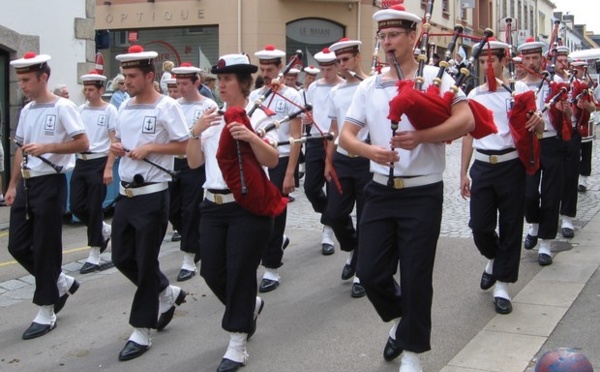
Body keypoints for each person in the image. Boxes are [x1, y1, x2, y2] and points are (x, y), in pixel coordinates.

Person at [339, 5, 474, 370]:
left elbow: (467, 119)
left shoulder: (437, 78)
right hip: (380, 190)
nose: (387, 43)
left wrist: (422, 137)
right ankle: (401, 321)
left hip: (422, 193)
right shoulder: (369, 86)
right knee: (371, 272)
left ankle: (413, 353)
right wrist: (371, 151)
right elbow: (346, 136)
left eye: (394, 35)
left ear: (414, 37)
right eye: (382, 37)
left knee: (416, 275)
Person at [186, 53, 279, 372]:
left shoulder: (259, 114)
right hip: (212, 205)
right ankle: (249, 306)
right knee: (211, 271)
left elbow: (272, 160)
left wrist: (251, 136)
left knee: (240, 273)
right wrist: (195, 132)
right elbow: (194, 163)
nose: (221, 85)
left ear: (242, 83)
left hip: (247, 207)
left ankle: (237, 342)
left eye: (226, 80)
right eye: (219, 80)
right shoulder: (210, 115)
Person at [110, 45, 189, 361]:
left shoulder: (167, 106)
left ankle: (142, 330)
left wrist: (150, 148)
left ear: (149, 76)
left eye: (132, 76)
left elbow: (184, 146)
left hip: (154, 195)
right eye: (125, 75)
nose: (126, 81)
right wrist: (119, 148)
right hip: (125, 195)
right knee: (121, 257)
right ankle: (166, 293)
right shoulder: (125, 106)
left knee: (144, 261)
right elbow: (120, 139)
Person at [6, 52, 89, 340]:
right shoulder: (27, 110)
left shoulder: (63, 107)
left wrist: (47, 147)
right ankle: (59, 280)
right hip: (28, 184)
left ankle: (46, 308)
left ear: (44, 77)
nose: (23, 86)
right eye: (20, 80)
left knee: (45, 247)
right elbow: (20, 149)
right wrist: (12, 185)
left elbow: (82, 142)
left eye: (27, 80)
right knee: (17, 245)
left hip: (51, 183)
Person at [460, 39, 543, 315]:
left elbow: (535, 126)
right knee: (480, 226)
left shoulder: (518, 90)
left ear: (503, 61)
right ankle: (494, 258)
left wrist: (538, 121)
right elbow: (469, 136)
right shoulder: (474, 95)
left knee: (510, 225)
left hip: (510, 166)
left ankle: (503, 286)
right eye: (482, 62)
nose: (487, 66)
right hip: (483, 167)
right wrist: (463, 173)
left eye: (491, 61)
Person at [250, 44, 303, 293]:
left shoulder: (292, 96)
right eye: (262, 69)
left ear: (280, 68)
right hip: (259, 159)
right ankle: (270, 245)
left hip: (281, 159)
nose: (265, 73)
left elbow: (296, 137)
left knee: (276, 213)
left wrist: (291, 171)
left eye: (269, 68)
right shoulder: (255, 96)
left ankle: (272, 268)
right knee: (258, 213)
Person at [325, 37, 370, 298]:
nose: (342, 65)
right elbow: (333, 130)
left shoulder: (371, 86)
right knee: (335, 213)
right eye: (338, 61)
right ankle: (353, 249)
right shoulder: (336, 92)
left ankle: (362, 271)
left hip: (366, 159)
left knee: (366, 218)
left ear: (357, 57)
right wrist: (328, 162)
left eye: (345, 59)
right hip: (342, 158)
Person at [518, 38, 569, 266]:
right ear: (522, 60)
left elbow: (568, 118)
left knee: (551, 194)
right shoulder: (517, 86)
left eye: (535, 58)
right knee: (529, 195)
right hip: (529, 144)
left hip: (550, 142)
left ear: (541, 58)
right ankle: (534, 224)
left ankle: (546, 243)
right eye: (527, 58)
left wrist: (564, 111)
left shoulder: (554, 83)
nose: (531, 62)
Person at [170, 62, 218, 281]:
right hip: (174, 161)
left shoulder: (208, 106)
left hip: (196, 162)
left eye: (185, 83)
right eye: (178, 83)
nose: (181, 88)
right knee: (171, 209)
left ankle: (189, 257)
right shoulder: (173, 105)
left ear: (196, 83)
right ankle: (196, 240)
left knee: (190, 209)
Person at [74, 71, 117, 274]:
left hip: (98, 161)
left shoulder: (109, 111)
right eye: (86, 89)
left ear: (101, 90)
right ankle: (102, 228)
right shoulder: (80, 109)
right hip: (81, 162)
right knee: (76, 205)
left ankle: (95, 253)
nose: (87, 93)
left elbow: (114, 141)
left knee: (93, 206)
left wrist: (108, 167)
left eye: (91, 89)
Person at [304, 47, 343, 256]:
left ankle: (328, 231)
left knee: (331, 186)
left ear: (337, 66)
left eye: (329, 69)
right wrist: (307, 118)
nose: (326, 73)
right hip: (314, 139)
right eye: (323, 69)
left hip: (335, 140)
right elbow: (309, 110)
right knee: (310, 187)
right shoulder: (314, 87)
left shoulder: (344, 87)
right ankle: (328, 215)